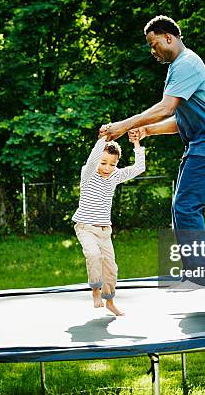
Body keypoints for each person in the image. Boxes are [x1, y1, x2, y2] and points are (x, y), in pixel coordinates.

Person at [101, 15, 205, 286]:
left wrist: (123, 125)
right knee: (182, 207)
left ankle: (199, 275)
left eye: (154, 45)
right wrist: (148, 130)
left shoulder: (186, 63)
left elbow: (165, 108)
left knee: (186, 206)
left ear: (169, 37)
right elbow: (181, 119)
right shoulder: (180, 66)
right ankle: (196, 273)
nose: (153, 51)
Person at [72, 130, 146, 315]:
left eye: (112, 164)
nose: (107, 167)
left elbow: (139, 168)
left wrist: (137, 144)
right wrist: (105, 137)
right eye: (104, 162)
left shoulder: (114, 176)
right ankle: (95, 292)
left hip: (105, 231)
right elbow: (92, 159)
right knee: (94, 255)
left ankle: (110, 301)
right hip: (86, 227)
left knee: (111, 268)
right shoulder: (88, 174)